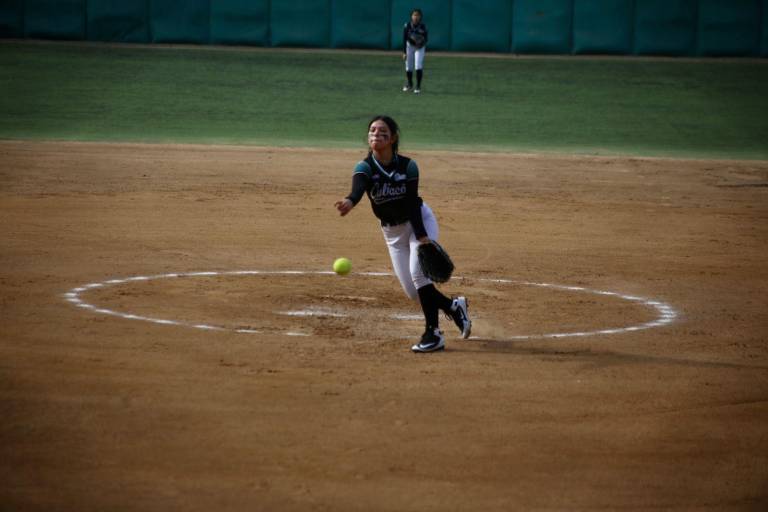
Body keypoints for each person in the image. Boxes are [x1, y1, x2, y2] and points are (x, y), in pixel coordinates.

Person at [334, 116, 471, 353]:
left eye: (382, 131)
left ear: (393, 138)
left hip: (419, 222)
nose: (376, 133)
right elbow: (358, 188)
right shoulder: (365, 167)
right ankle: (452, 306)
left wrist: (422, 236)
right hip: (392, 233)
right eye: (372, 130)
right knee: (413, 292)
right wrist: (350, 201)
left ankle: (433, 334)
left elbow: (411, 203)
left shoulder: (408, 166)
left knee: (420, 276)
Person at [402, 9, 428, 94]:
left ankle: (418, 86)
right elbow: (404, 39)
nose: (416, 17)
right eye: (414, 15)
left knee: (418, 66)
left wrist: (420, 44)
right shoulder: (407, 25)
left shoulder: (423, 26)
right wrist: (404, 52)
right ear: (411, 16)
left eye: (417, 15)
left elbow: (426, 39)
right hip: (409, 46)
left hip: (419, 47)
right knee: (408, 66)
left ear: (420, 17)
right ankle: (410, 84)